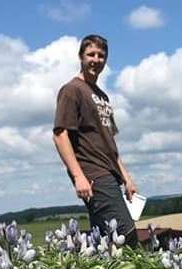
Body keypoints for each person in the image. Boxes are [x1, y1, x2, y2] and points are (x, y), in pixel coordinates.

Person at [53, 34, 139, 245]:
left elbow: (110, 143)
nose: (96, 59)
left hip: (109, 172)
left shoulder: (102, 96)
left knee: (104, 238)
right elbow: (60, 134)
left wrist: (126, 177)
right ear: (81, 57)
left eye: (101, 55)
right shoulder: (72, 90)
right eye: (91, 54)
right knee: (125, 235)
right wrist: (78, 176)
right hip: (93, 173)